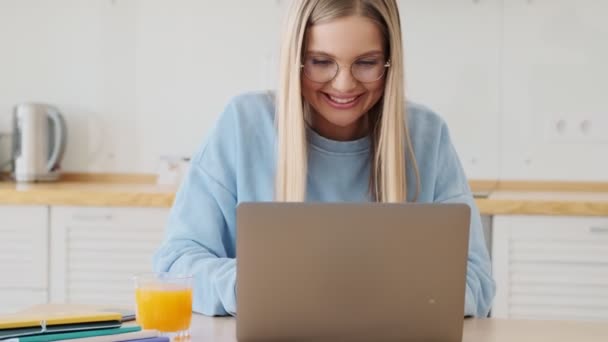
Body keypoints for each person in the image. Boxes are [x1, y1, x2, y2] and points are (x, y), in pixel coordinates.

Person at [153, 0, 495, 318]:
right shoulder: (243, 125)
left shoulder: (426, 136)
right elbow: (176, 264)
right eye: (321, 62)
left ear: (390, 62)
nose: (344, 84)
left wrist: (359, 293)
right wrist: (254, 286)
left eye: (366, 63)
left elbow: (476, 281)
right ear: (295, 60)